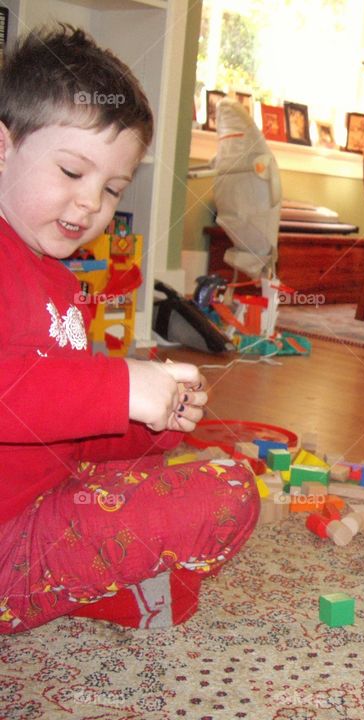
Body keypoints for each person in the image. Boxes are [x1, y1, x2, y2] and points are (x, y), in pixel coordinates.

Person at [0, 26, 259, 633]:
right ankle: (79, 588)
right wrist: (119, 387)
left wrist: (146, 422)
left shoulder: (60, 281)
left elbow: (66, 433)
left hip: (35, 507)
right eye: (71, 171)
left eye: (112, 188)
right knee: (223, 488)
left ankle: (78, 587)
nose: (91, 204)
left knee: (216, 477)